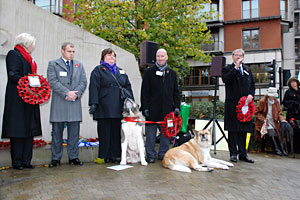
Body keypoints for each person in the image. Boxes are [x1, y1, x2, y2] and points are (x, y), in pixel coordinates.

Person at [1, 33, 42, 170]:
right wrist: (28, 83)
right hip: (17, 99)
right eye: (31, 45)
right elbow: (13, 74)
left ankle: (26, 160)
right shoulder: (14, 54)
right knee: (18, 130)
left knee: (29, 130)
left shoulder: (29, 58)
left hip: (29, 99)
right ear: (26, 44)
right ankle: (17, 162)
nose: (32, 47)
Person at [89, 48, 134, 163]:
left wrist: (131, 103)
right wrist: (93, 103)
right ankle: (103, 156)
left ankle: (114, 156)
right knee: (104, 133)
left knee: (116, 133)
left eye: (113, 56)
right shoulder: (98, 70)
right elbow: (94, 87)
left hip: (118, 106)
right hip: (104, 106)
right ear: (103, 57)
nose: (111, 58)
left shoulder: (121, 71)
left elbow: (128, 87)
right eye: (109, 56)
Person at [47, 42, 87, 167]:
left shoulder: (79, 65)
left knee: (74, 133)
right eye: (69, 51)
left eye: (73, 51)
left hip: (74, 102)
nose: (72, 54)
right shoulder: (53, 64)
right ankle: (56, 158)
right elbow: (52, 81)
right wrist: (66, 93)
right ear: (62, 51)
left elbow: (83, 81)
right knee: (57, 133)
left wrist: (76, 93)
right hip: (60, 102)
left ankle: (73, 157)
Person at [140, 48, 181, 163]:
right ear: (156, 58)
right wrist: (145, 107)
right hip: (152, 110)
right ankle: (151, 155)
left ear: (166, 57)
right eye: (158, 56)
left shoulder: (172, 73)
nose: (160, 58)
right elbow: (144, 92)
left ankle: (163, 154)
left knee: (165, 135)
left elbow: (176, 92)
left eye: (162, 56)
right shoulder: (148, 72)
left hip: (167, 111)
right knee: (150, 135)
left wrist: (176, 107)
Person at [222, 48, 255, 163]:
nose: (238, 57)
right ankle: (233, 153)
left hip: (245, 106)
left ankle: (243, 154)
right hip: (232, 104)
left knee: (243, 130)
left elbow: (252, 85)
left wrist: (251, 95)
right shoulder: (228, 69)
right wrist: (235, 68)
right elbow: (226, 79)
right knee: (233, 130)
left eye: (240, 55)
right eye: (236, 55)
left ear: (243, 57)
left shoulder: (247, 70)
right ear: (232, 57)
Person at [254, 87, 287, 155]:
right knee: (272, 133)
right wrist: (263, 119)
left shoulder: (276, 102)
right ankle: (276, 149)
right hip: (265, 122)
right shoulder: (262, 101)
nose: (272, 97)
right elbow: (257, 113)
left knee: (280, 133)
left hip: (274, 121)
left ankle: (282, 149)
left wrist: (282, 120)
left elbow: (279, 113)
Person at [282, 77, 300, 153]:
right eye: (291, 82)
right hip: (292, 114)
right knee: (293, 131)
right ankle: (293, 148)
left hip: (299, 113)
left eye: (294, 82)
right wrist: (293, 103)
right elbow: (285, 102)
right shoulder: (288, 92)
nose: (293, 83)